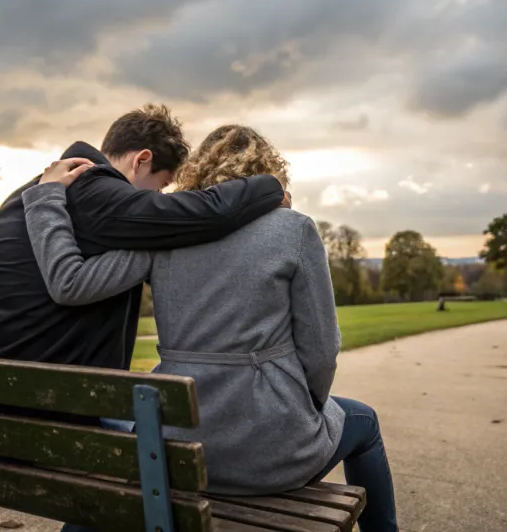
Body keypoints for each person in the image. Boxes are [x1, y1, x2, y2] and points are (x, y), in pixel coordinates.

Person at [23, 125, 398, 532]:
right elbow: (322, 350)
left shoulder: (167, 233)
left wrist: (46, 201)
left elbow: (72, 284)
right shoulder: (293, 230)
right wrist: (304, 404)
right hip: (274, 455)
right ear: (268, 175)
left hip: (173, 455)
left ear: (200, 171)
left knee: (124, 423)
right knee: (364, 421)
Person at [0, 104, 287, 425]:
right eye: (163, 185)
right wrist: (270, 186)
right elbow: (206, 213)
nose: (159, 198)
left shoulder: (34, 190)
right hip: (35, 411)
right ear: (141, 160)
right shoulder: (96, 188)